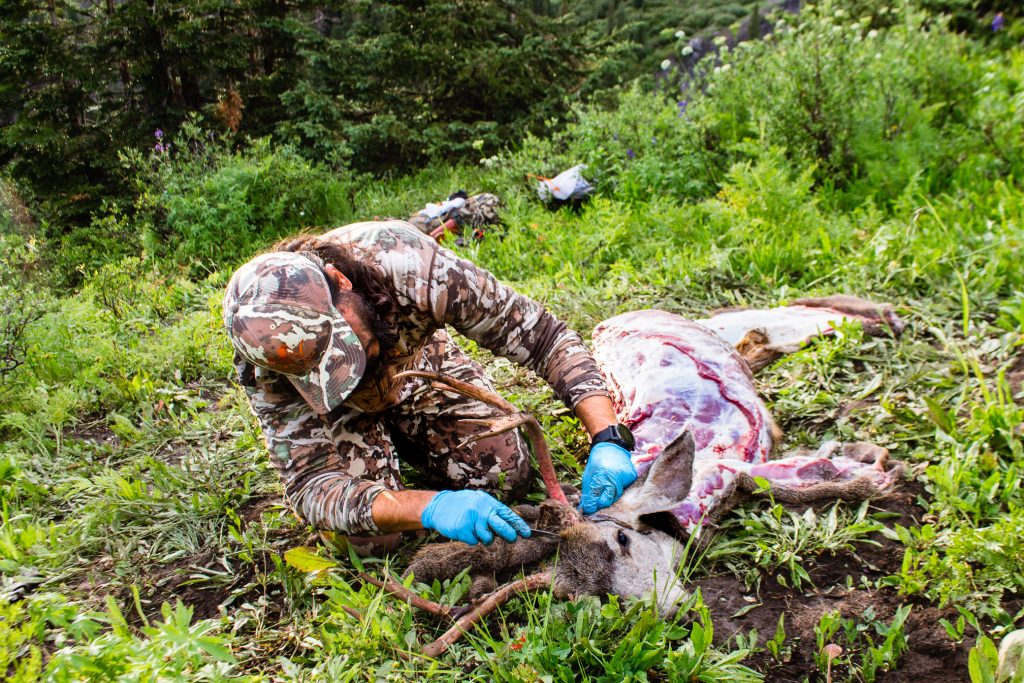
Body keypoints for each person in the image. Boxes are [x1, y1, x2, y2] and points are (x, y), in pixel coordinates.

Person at [222, 220, 636, 552]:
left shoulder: (413, 268)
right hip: (342, 412)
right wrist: (428, 507)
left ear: (340, 281)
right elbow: (312, 485)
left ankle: (409, 434)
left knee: (506, 476)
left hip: (417, 367)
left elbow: (545, 337)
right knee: (367, 541)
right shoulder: (264, 359)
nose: (353, 366)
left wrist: (608, 438)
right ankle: (384, 449)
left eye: (347, 346)